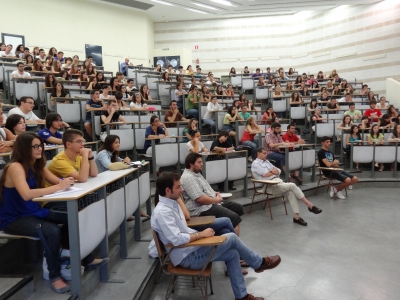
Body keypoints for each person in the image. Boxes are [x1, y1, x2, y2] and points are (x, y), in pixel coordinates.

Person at [0, 132, 107, 293]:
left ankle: (87, 258)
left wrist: (65, 182)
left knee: (73, 217)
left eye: (40, 146)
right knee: (52, 231)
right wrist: (58, 187)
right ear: (24, 148)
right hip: (14, 218)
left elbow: (59, 182)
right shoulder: (15, 167)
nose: (39, 149)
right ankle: (54, 275)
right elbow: (26, 194)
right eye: (34, 146)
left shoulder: (37, 165)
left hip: (33, 211)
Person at [151, 172, 281, 300]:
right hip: (188, 257)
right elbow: (177, 239)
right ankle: (259, 263)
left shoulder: (172, 203)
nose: (182, 189)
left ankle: (242, 297)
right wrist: (201, 234)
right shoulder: (163, 212)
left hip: (191, 250)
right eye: (178, 187)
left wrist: (203, 236)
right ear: (168, 190)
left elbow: (184, 225)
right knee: (231, 237)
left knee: (233, 253)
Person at [251, 147, 322, 226]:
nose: (266, 154)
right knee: (292, 185)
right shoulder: (255, 164)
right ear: (258, 153)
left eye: (266, 153)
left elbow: (279, 170)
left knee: (291, 192)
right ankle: (310, 205)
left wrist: (272, 172)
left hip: (277, 182)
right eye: (264, 153)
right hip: (268, 186)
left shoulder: (267, 162)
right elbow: (265, 174)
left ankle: (297, 217)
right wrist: (272, 171)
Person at [181, 153, 244, 236]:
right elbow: (199, 199)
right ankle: (234, 242)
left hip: (210, 203)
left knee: (238, 207)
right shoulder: (188, 177)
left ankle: (228, 232)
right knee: (234, 218)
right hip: (201, 209)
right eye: (199, 162)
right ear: (191, 164)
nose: (202, 164)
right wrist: (216, 200)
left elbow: (203, 189)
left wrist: (214, 193)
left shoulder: (196, 174)